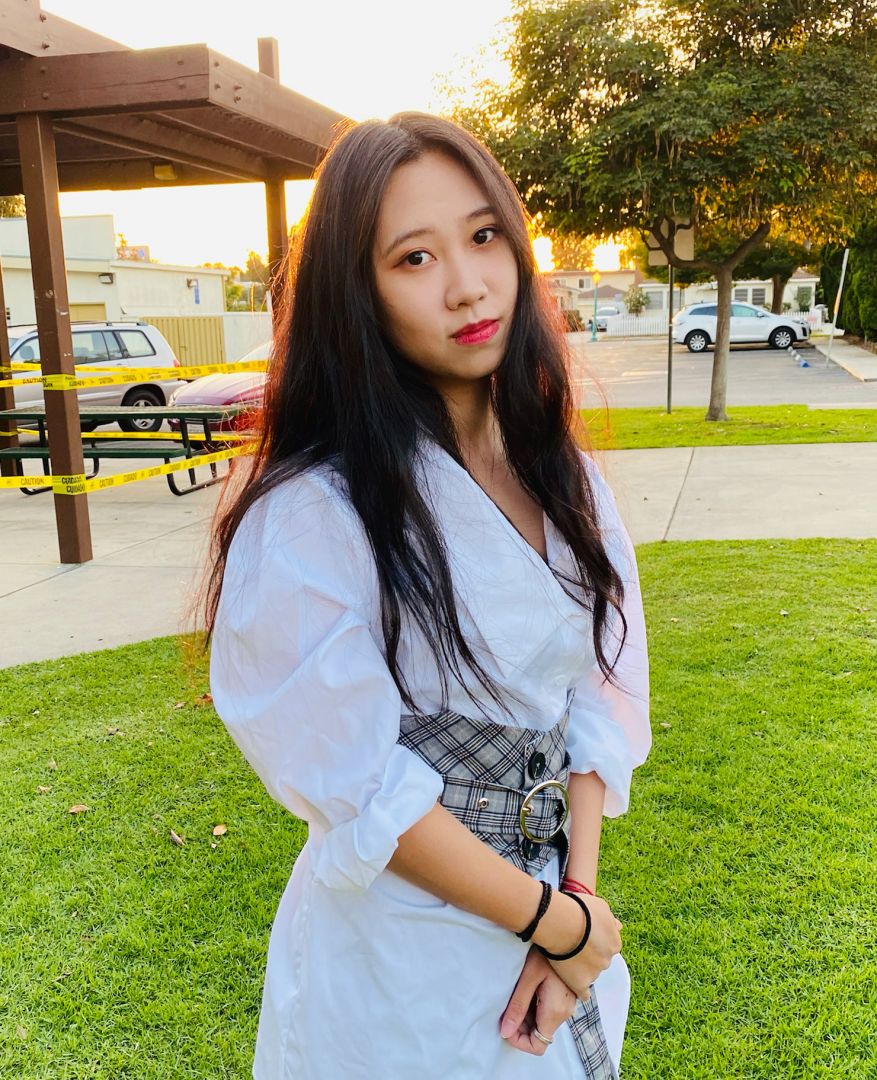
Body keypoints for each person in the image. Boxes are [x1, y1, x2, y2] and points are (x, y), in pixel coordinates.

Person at [204, 112, 651, 1079]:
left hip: (549, 917)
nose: (467, 285)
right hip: (400, 949)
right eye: (414, 257)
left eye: (483, 236)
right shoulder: (314, 512)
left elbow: (594, 692)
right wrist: (555, 924)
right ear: (355, 293)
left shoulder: (560, 473)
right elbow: (362, 783)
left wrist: (573, 907)